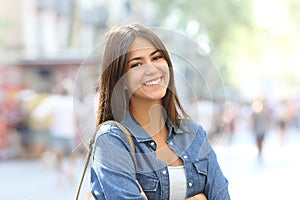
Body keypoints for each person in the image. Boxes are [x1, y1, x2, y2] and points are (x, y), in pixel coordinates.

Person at [90, 24, 230, 200]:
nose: (151, 68)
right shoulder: (112, 140)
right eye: (137, 64)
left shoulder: (194, 135)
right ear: (121, 81)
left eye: (156, 58)